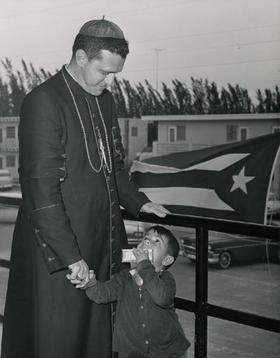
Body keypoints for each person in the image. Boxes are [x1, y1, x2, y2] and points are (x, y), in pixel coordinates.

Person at [1, 19, 170, 358]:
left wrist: (140, 202)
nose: (110, 82)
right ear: (81, 56)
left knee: (97, 338)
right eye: (104, 72)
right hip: (58, 250)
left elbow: (114, 168)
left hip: (101, 244)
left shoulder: (104, 100)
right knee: (59, 340)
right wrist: (71, 256)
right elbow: (41, 193)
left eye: (115, 75)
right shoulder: (43, 101)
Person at [71, 225, 190, 358]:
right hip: (133, 351)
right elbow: (103, 294)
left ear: (167, 260)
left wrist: (144, 264)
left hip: (168, 351)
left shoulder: (166, 279)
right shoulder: (125, 277)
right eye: (146, 238)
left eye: (157, 241)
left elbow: (161, 297)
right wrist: (90, 283)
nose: (148, 242)